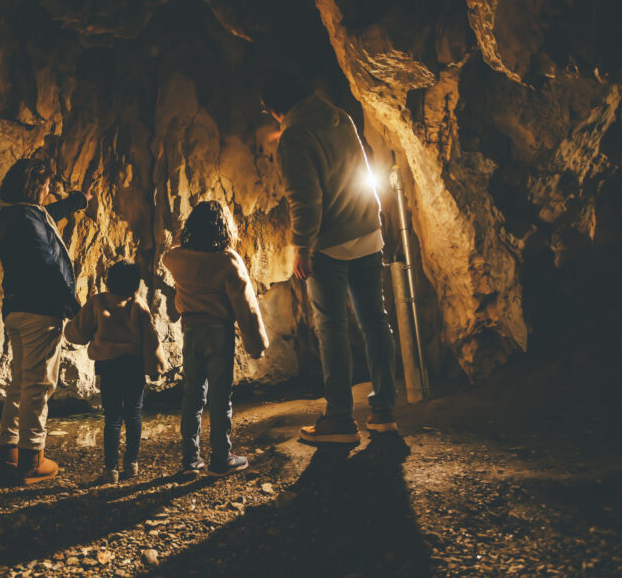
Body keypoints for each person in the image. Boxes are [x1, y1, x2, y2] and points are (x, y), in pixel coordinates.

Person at [261, 71, 399, 445]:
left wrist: (300, 247)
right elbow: (361, 169)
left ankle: (339, 419)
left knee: (332, 328)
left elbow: (306, 201)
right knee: (375, 321)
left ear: (274, 108)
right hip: (368, 231)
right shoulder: (341, 117)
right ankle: (384, 411)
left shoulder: (293, 137)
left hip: (330, 245)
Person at [0, 158, 89, 485]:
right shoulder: (25, 219)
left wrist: (77, 202)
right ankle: (32, 460)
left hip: (18, 308)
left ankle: (9, 456)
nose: (49, 189)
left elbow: (49, 214)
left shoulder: (14, 213)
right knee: (38, 384)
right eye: (46, 184)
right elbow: (47, 262)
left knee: (20, 384)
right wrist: (71, 303)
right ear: (34, 186)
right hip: (40, 311)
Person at [162, 201, 269, 477]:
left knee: (192, 395)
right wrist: (257, 345)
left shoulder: (178, 259)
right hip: (218, 333)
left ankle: (191, 459)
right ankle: (222, 457)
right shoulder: (228, 260)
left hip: (191, 331)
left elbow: (168, 253)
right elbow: (247, 306)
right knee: (221, 397)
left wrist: (181, 238)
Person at [64, 261, 164, 484]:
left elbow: (78, 333)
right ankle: (132, 464)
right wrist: (156, 368)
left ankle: (111, 470)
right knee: (134, 414)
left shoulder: (97, 303)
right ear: (135, 284)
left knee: (112, 418)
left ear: (108, 281)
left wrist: (68, 328)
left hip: (109, 367)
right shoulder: (138, 304)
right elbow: (151, 338)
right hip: (134, 366)